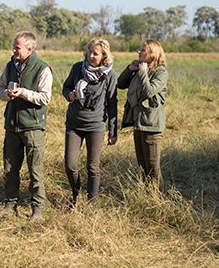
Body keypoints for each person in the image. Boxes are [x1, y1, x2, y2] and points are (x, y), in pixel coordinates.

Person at [0, 31, 52, 220]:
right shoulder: (10, 66)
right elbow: (0, 88)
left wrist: (24, 93)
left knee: (35, 170)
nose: (13, 50)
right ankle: (10, 204)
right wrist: (7, 95)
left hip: (33, 128)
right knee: (10, 169)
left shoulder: (42, 69)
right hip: (12, 126)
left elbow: (45, 98)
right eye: (14, 46)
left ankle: (37, 210)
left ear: (29, 48)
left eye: (17, 47)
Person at [61, 38, 118, 208]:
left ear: (104, 56)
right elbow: (65, 87)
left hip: (96, 126)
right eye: (89, 52)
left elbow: (112, 103)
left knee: (93, 167)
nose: (91, 56)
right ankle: (75, 195)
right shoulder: (77, 68)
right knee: (70, 164)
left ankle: (91, 204)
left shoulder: (109, 75)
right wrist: (69, 95)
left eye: (96, 53)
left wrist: (113, 131)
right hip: (74, 124)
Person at [117, 39, 168, 187]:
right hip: (138, 123)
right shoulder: (139, 70)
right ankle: (147, 197)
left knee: (153, 168)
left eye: (143, 50)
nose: (139, 52)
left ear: (153, 53)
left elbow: (149, 91)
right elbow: (120, 84)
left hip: (151, 125)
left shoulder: (160, 72)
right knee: (142, 167)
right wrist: (130, 69)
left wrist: (143, 72)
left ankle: (158, 199)